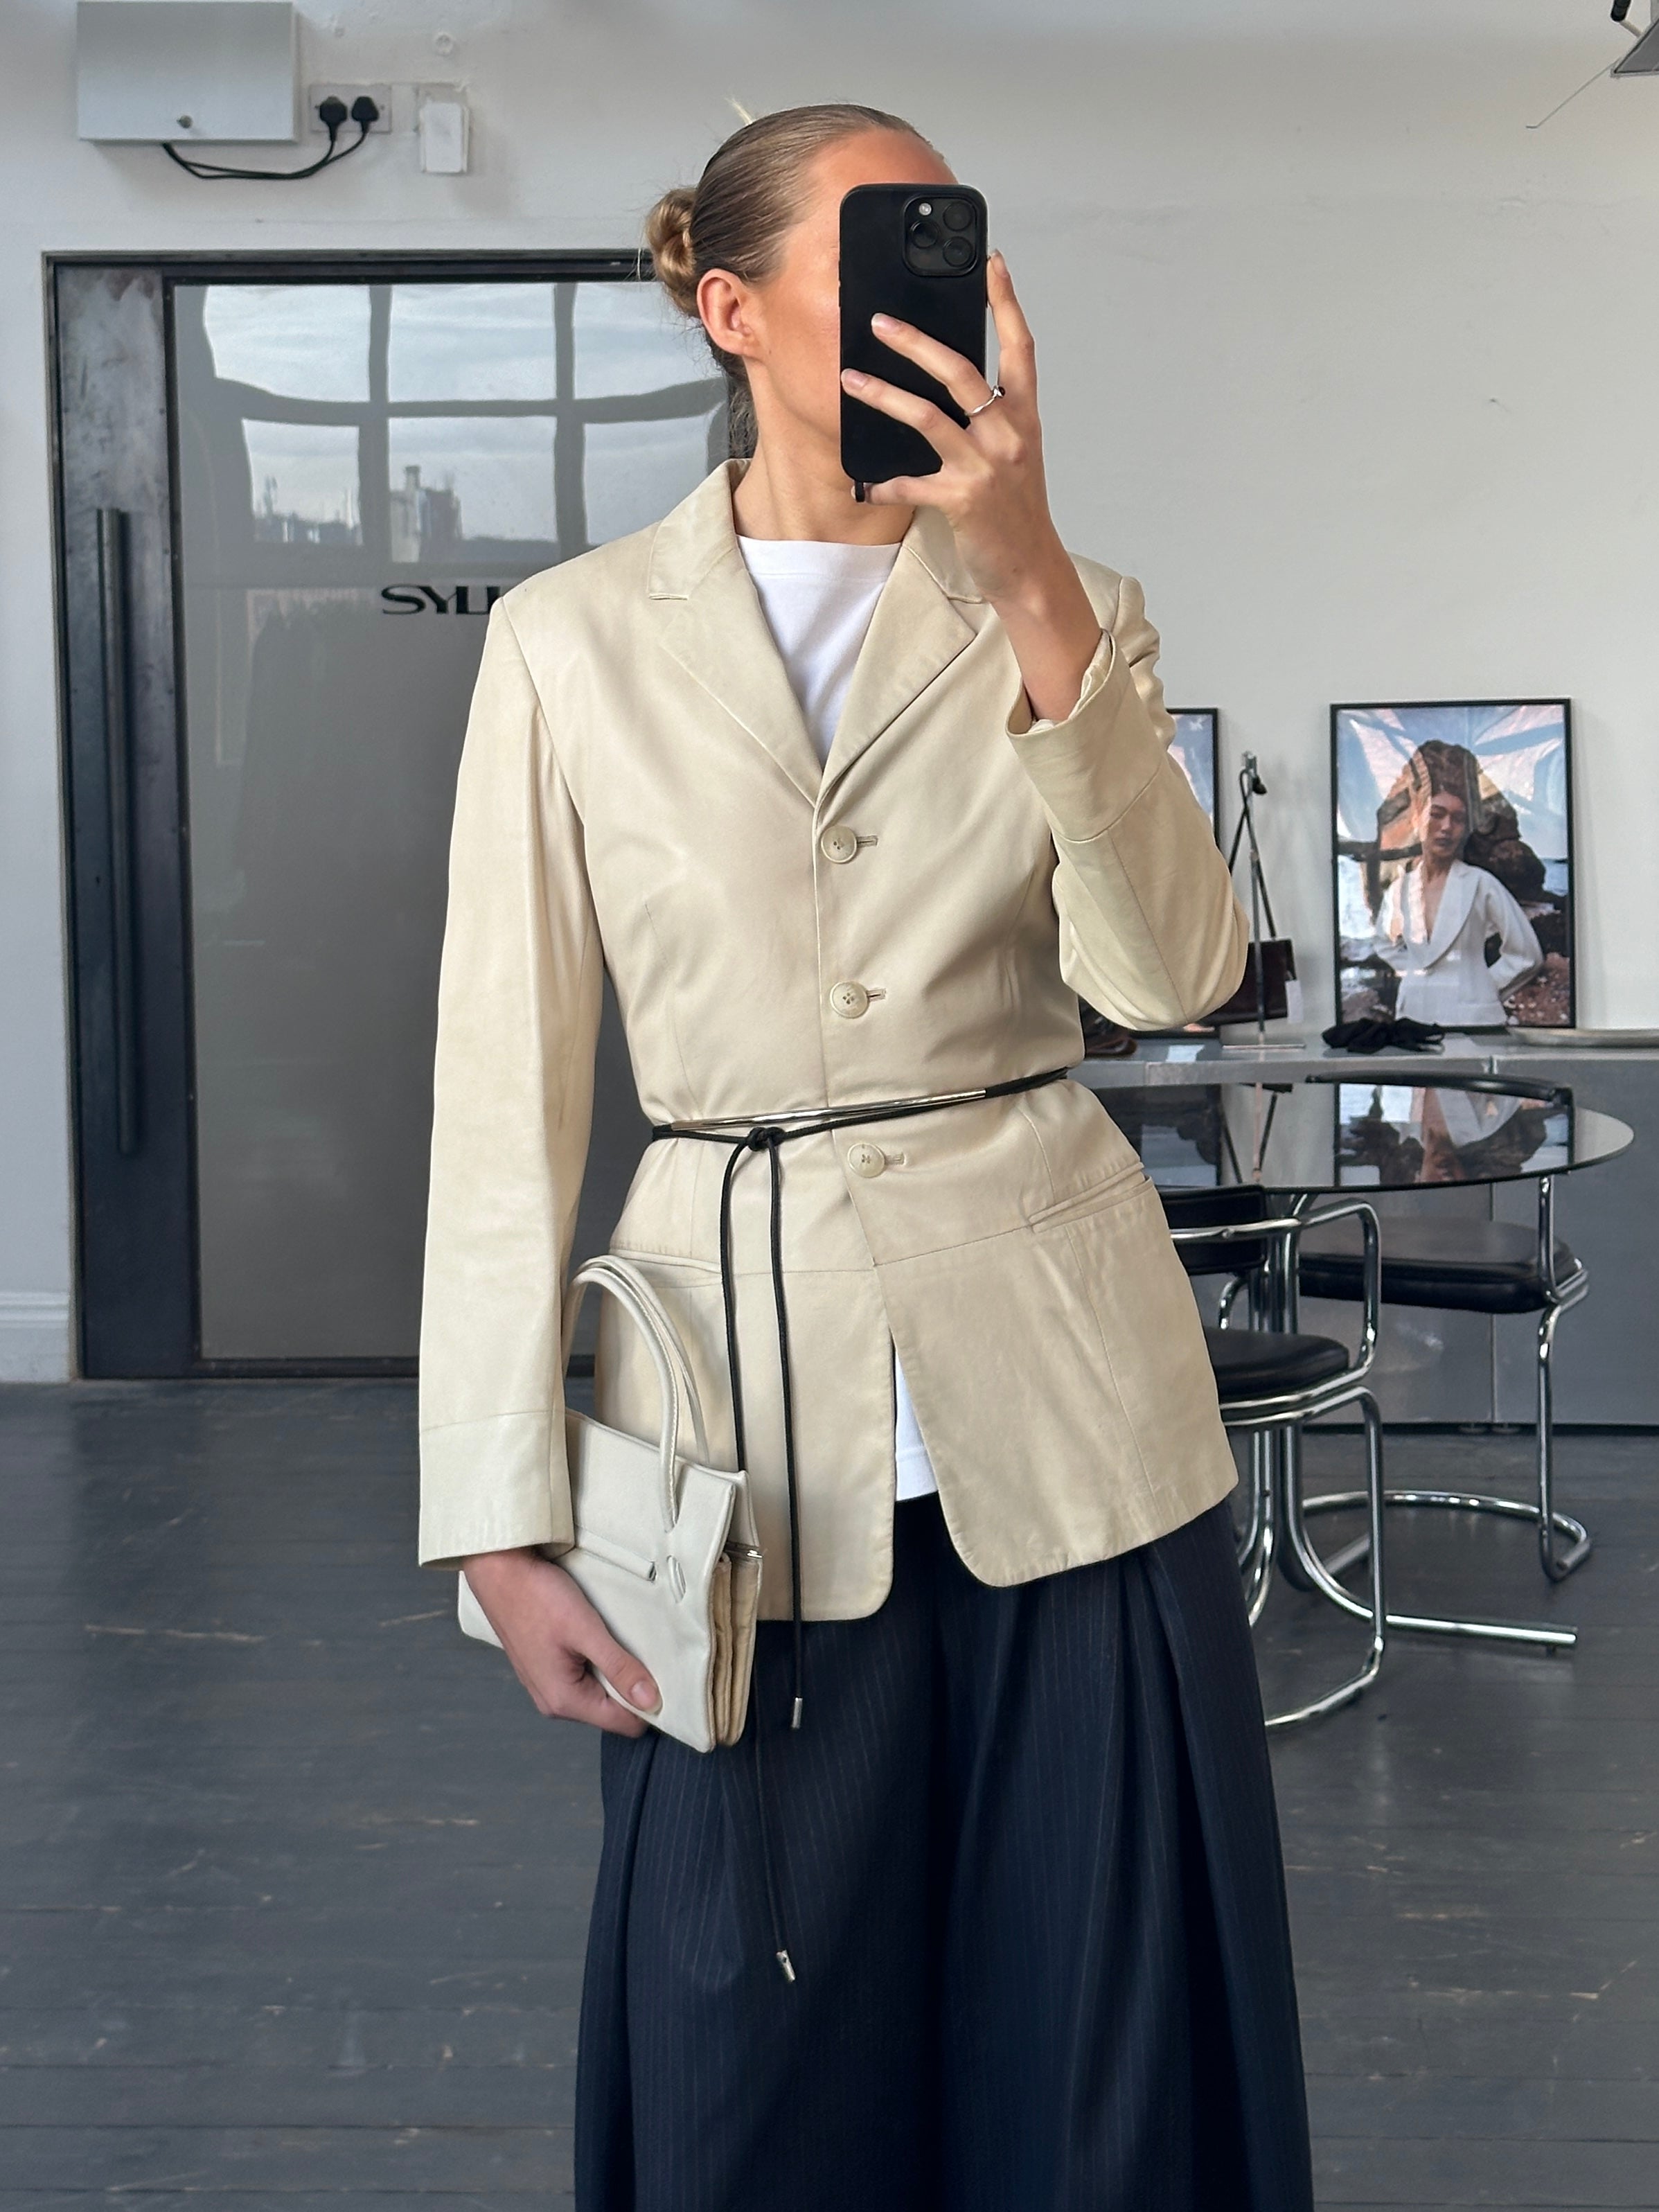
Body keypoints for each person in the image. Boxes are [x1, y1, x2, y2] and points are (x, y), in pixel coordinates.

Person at [417, 102, 1313, 2212]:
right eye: (876, 251)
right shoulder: (570, 638)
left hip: (1073, 1425)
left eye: (957, 245)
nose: (941, 296)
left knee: (1097, 2070)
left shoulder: (1073, 603)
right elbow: (500, 1096)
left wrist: (1027, 575)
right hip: (729, 1433)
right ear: (731, 312)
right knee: (747, 2062)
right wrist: (496, 1517)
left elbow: (1174, 974)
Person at [1376, 763, 1543, 1029]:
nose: (1446, 827)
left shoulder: (1481, 884)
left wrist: (1482, 986)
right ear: (1417, 819)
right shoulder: (1401, 889)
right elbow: (1384, 943)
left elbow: (1525, 954)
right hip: (1413, 1018)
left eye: (1458, 819)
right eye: (1437, 815)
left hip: (1473, 1020)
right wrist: (1416, 974)